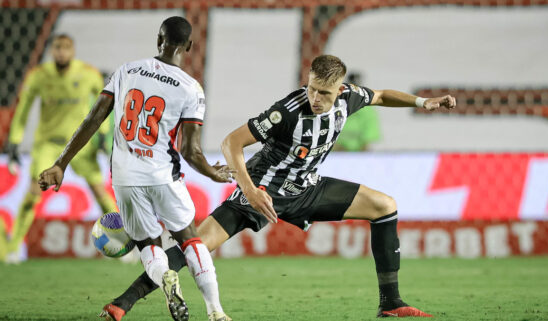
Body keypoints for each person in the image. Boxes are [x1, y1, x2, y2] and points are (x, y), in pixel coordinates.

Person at [100, 54, 456, 319]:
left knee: (385, 205)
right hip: (262, 191)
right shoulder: (286, 111)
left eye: (326, 93)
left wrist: (424, 103)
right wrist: (250, 189)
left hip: (306, 189)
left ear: (339, 89)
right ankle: (122, 303)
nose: (318, 98)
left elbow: (380, 95)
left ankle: (390, 303)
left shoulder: (349, 97)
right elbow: (231, 143)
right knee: (197, 244)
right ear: (308, 81)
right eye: (313, 89)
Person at [38, 17, 233, 321]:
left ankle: (166, 278)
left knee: (147, 244)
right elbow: (190, 151)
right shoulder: (191, 88)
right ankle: (216, 311)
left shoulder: (127, 70)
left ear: (159, 40)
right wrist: (212, 173)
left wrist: (61, 163)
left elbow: (94, 118)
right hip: (163, 175)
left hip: (126, 178)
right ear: (189, 46)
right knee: (190, 239)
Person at [3, 34, 117, 264]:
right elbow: (23, 110)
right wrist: (15, 141)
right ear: (51, 51)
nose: (61, 53)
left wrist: (104, 137)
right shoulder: (38, 76)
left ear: (73, 51)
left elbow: (103, 108)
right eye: (57, 48)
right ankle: (13, 249)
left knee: (101, 193)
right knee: (33, 194)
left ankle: (120, 245)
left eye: (65, 48)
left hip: (79, 145)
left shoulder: (88, 74)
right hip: (48, 144)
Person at [335, 72, 382, 151]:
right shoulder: (337, 104)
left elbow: (369, 135)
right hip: (337, 153)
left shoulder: (368, 108)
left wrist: (362, 151)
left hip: (359, 154)